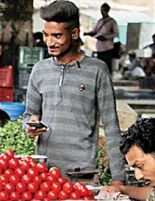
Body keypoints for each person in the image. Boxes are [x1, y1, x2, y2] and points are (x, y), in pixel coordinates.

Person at [25, 0, 126, 185]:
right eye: (46, 35)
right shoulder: (39, 70)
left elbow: (112, 127)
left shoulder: (97, 70)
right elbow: (29, 115)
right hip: (44, 173)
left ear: (74, 33)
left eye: (57, 36)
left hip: (81, 174)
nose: (49, 42)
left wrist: (118, 178)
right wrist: (29, 127)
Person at [85, 3, 119, 74]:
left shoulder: (112, 22)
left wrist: (106, 37)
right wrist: (88, 33)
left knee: (107, 66)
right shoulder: (100, 21)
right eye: (101, 10)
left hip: (108, 48)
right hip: (99, 47)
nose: (101, 12)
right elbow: (95, 31)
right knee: (100, 66)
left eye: (103, 10)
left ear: (107, 11)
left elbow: (116, 34)